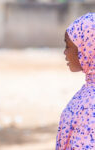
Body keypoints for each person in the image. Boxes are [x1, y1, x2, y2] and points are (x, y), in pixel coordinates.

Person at [56, 12, 95, 149]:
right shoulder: (88, 91)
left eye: (67, 46)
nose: (65, 52)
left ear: (87, 49)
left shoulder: (91, 102)